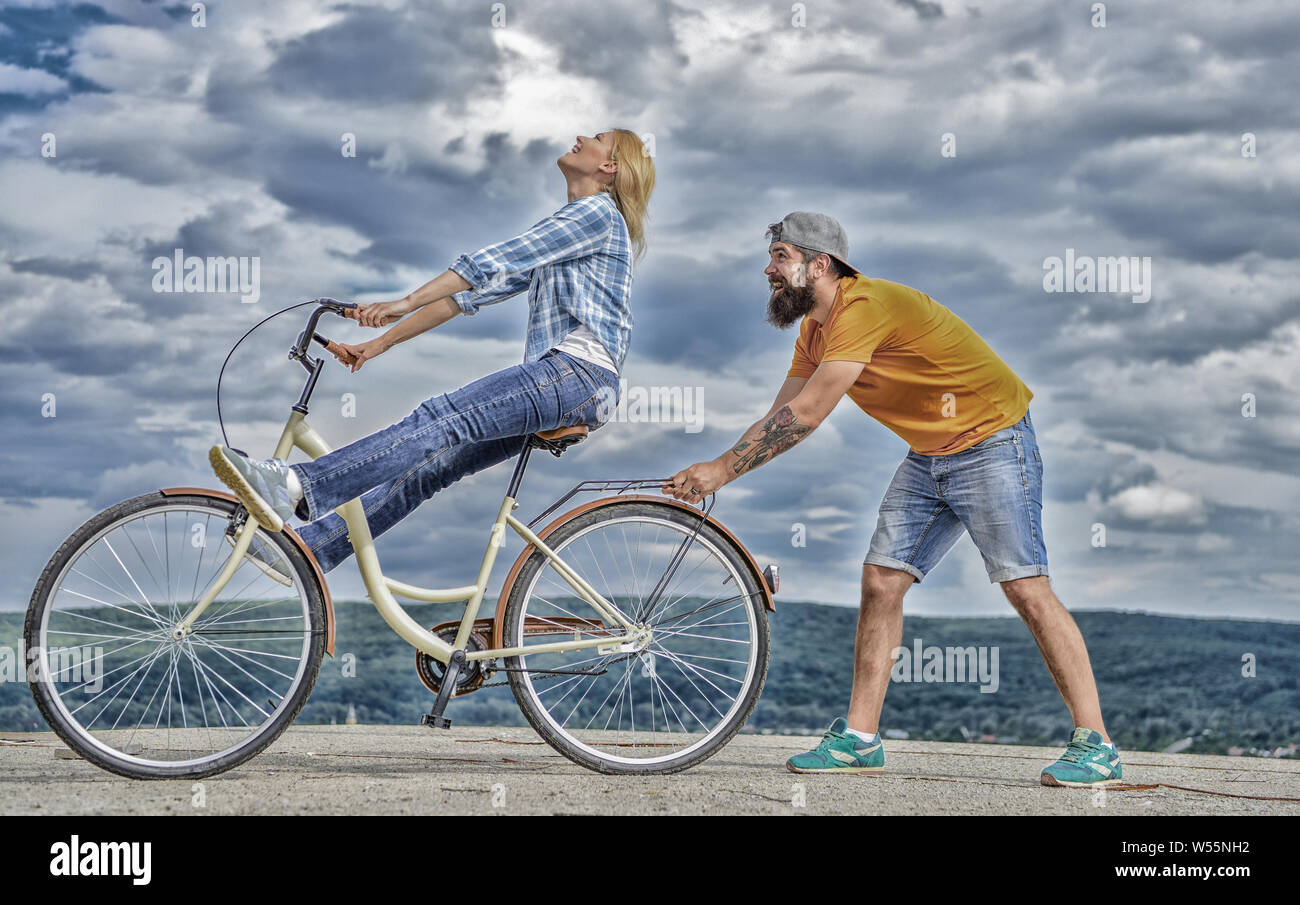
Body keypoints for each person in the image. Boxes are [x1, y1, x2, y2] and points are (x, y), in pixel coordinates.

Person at [662, 211, 1121, 788]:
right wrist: (719, 467)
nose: (768, 269)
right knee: (882, 580)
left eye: (780, 257)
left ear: (819, 264)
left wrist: (721, 471)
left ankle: (1096, 742)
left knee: (1025, 585)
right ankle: (860, 738)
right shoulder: (815, 330)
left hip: (993, 440)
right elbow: (781, 412)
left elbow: (807, 415)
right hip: (930, 454)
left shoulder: (864, 307)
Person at [210, 129, 655, 580]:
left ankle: (294, 484)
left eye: (596, 137)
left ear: (610, 166)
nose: (580, 136)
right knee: (429, 468)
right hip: (569, 383)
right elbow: (467, 296)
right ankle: (310, 551)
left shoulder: (595, 214)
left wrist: (404, 301)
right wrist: (378, 344)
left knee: (440, 417)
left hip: (576, 375)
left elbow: (492, 260)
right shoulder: (574, 229)